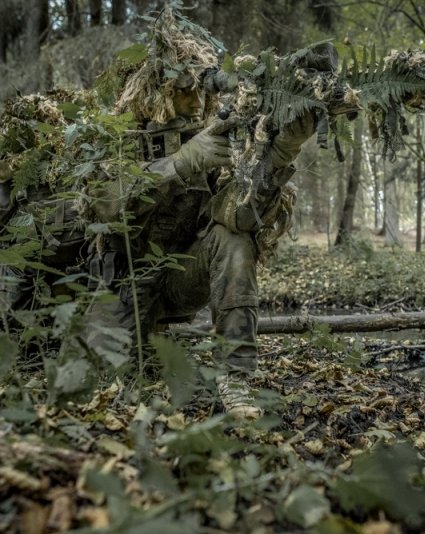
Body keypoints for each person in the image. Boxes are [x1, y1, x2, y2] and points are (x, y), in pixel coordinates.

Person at [79, 11, 316, 418]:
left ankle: (235, 378)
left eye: (200, 89)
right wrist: (181, 162)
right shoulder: (117, 136)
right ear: (155, 88)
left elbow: (239, 217)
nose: (195, 101)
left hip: (178, 279)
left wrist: (281, 153)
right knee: (100, 374)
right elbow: (103, 205)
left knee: (234, 241)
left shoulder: (211, 137)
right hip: (120, 288)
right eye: (184, 88)